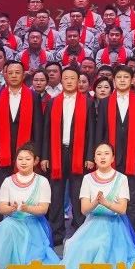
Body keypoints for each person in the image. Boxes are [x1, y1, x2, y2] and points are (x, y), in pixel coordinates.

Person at [93, 65, 135, 236]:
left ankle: (130, 234)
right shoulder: (105, 102)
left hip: (134, 157)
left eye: (126, 77)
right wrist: (98, 155)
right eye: (119, 77)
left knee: (132, 198)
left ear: (132, 80)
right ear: (113, 80)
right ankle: (110, 232)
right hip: (110, 157)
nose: (122, 80)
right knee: (111, 195)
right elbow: (100, 131)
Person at [63, 143, 135, 269]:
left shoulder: (121, 178)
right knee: (77, 248)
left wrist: (105, 203)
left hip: (114, 225)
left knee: (104, 245)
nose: (102, 157)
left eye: (106, 154)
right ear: (94, 158)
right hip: (92, 224)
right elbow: (84, 210)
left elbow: (122, 209)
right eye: (99, 154)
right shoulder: (88, 178)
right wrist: (96, 202)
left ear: (113, 158)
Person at [41, 64, 94, 247]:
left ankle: (80, 232)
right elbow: (46, 131)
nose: (69, 81)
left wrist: (89, 156)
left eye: (73, 78)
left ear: (78, 81)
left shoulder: (87, 102)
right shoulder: (53, 102)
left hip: (79, 153)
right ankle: (56, 234)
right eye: (66, 78)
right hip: (57, 152)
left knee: (78, 194)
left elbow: (91, 132)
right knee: (56, 195)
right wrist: (45, 156)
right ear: (60, 81)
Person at [0, 61, 42, 229]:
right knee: (1, 185)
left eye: (17, 72)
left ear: (23, 75)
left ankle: (25, 218)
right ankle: (0, 221)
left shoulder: (33, 96)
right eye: (10, 73)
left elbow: (38, 126)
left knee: (25, 183)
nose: (14, 75)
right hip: (2, 149)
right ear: (5, 75)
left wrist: (37, 152)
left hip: (26, 150)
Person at [0, 143, 59, 269]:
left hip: (33, 223)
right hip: (13, 222)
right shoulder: (8, 181)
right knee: (6, 226)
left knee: (34, 262)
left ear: (35, 161)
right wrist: (11, 209)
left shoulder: (42, 181)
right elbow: (1, 208)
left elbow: (43, 209)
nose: (23, 162)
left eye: (27, 159)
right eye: (20, 159)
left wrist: (27, 209)